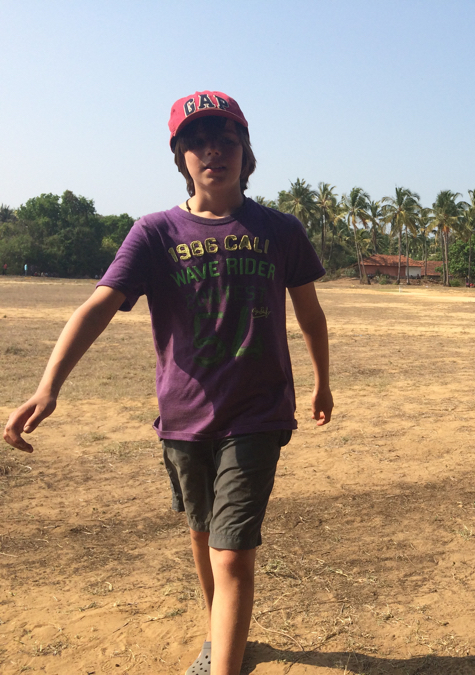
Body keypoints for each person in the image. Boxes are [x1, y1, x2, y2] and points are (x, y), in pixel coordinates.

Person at [3, 90, 332, 675]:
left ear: (245, 151)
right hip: (183, 417)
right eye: (198, 142)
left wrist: (321, 382)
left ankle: (223, 664)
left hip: (257, 413)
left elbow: (310, 313)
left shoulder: (280, 230)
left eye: (226, 140)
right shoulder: (155, 233)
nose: (213, 151)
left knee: (232, 554)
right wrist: (49, 385)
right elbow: (98, 307)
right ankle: (218, 638)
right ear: (181, 156)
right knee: (203, 534)